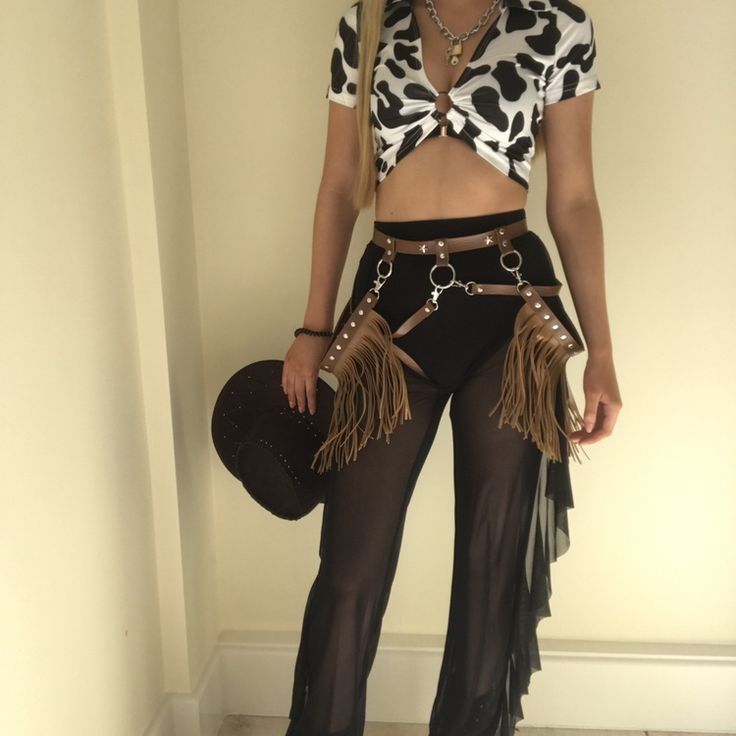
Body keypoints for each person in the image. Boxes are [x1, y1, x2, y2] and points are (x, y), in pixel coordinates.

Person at [281, 0, 622, 734]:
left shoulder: (556, 23)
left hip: (511, 315)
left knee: (490, 574)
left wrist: (603, 352)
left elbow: (575, 197)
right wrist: (313, 327)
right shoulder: (369, 22)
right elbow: (341, 186)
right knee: (349, 572)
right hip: (387, 313)